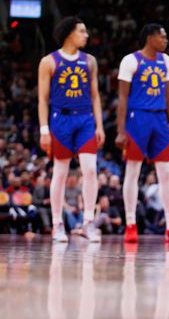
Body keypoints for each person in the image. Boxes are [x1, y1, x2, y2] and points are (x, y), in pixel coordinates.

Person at [116, 24, 169, 244]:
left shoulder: (165, 61)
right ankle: (130, 224)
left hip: (159, 120)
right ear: (150, 38)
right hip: (137, 118)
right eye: (162, 37)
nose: (166, 40)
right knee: (133, 171)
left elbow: (168, 97)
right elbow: (122, 98)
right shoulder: (130, 61)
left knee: (166, 174)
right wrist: (121, 131)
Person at [37, 17, 105, 242]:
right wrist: (44, 129)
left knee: (91, 170)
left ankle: (88, 222)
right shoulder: (49, 61)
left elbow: (95, 96)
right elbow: (42, 100)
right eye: (82, 32)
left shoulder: (90, 61)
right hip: (61, 120)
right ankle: (57, 224)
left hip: (85, 119)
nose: (86, 36)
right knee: (61, 172)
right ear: (69, 34)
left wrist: (100, 125)